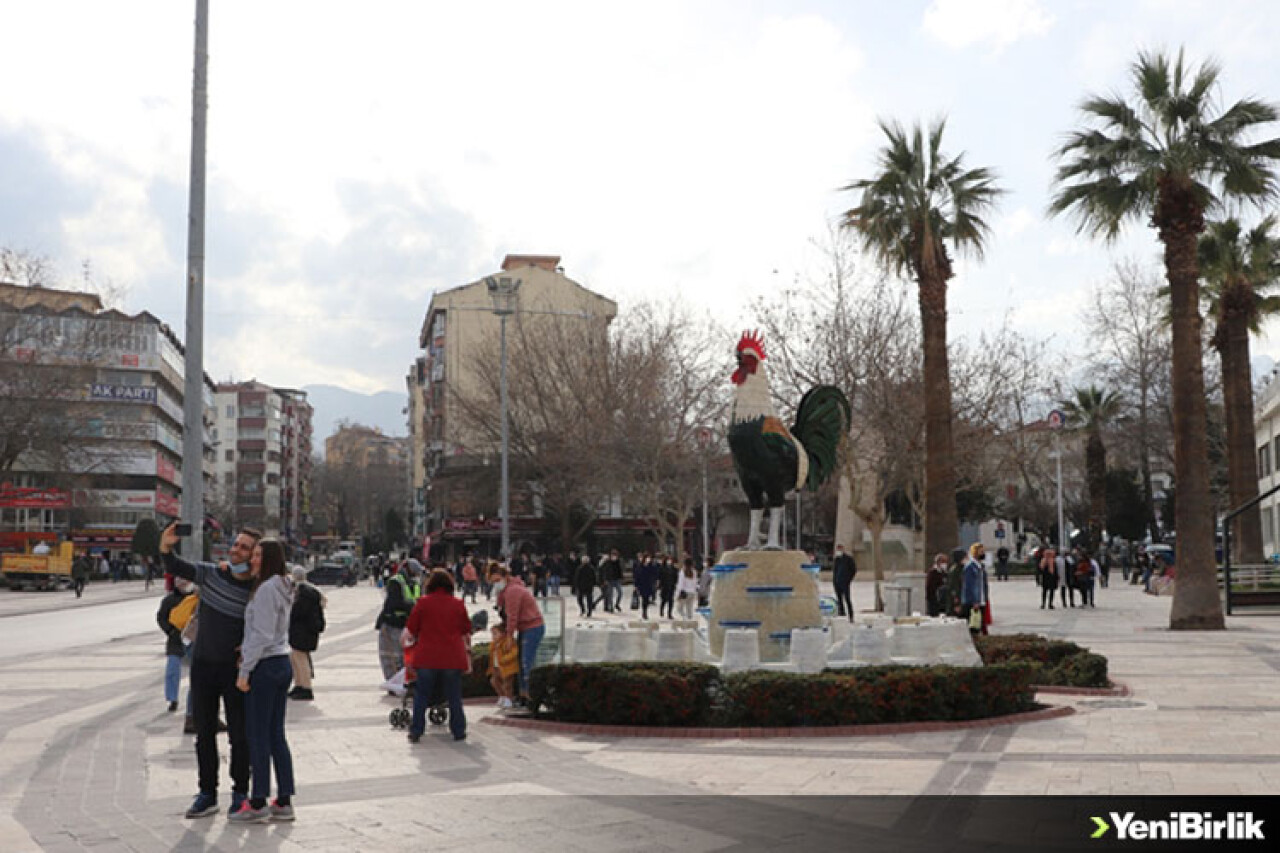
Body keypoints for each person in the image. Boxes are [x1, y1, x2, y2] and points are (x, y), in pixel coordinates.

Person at [159, 521, 261, 820]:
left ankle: (240, 791)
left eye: (244, 547)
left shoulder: (256, 591)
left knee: (239, 736)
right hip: (203, 666)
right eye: (235, 544)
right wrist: (166, 544)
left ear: (254, 556)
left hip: (235, 672)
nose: (236, 550)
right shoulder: (212, 574)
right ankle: (207, 793)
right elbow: (175, 565)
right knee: (204, 734)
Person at [230, 538, 296, 823]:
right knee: (275, 734)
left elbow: (262, 633)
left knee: (257, 735)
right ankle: (283, 799)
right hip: (281, 661)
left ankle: (257, 802)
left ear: (268, 559)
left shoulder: (268, 589)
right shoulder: (284, 585)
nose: (253, 559)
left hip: (266, 665)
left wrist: (245, 670)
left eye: (258, 555)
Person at [403, 569, 472, 743]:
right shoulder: (458, 604)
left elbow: (411, 629)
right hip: (452, 658)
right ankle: (458, 731)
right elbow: (465, 629)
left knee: (422, 695)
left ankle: (417, 730)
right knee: (454, 696)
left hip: (427, 657)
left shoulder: (423, 603)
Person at [493, 564, 544, 706]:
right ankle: (523, 694)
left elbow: (512, 616)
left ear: (504, 576)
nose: (495, 584)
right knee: (521, 663)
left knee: (526, 662)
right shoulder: (505, 591)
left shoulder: (513, 591)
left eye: (497, 580)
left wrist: (509, 636)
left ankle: (530, 695)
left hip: (532, 627)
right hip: (524, 628)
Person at [157, 577, 196, 713]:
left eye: (185, 580)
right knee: (172, 670)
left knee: (196, 673)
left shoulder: (197, 598)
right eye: (180, 581)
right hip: (176, 639)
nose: (183, 583)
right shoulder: (169, 600)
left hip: (193, 639)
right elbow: (161, 617)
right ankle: (172, 699)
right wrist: (170, 630)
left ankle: (194, 702)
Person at [376, 561, 420, 683]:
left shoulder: (412, 583)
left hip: (401, 624)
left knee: (397, 656)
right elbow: (393, 602)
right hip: (394, 623)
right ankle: (395, 682)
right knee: (393, 656)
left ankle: (398, 682)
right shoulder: (397, 581)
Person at [288, 566, 326, 701]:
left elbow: (298, 611)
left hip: (302, 632)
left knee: (300, 659)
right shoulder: (311, 590)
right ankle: (299, 684)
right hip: (305, 631)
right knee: (296, 659)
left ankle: (306, 687)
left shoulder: (304, 592)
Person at [487, 622, 520, 711]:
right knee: (494, 681)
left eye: (495, 634)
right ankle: (502, 696)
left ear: (503, 633)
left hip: (508, 667)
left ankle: (509, 699)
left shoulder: (508, 642)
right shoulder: (494, 644)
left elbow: (514, 652)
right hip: (497, 667)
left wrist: (505, 659)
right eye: (492, 634)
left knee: (507, 684)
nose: (493, 636)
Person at [960, 543, 987, 635]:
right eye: (981, 551)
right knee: (973, 626)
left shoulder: (981, 567)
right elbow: (969, 586)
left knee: (980, 625)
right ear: (975, 553)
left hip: (981, 600)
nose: (983, 553)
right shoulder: (970, 567)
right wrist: (975, 601)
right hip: (973, 602)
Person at [832, 544, 857, 621]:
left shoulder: (848, 559)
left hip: (845, 583)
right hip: (837, 583)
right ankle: (842, 615)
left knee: (847, 599)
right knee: (839, 600)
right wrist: (834, 581)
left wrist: (848, 579)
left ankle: (851, 616)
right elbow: (835, 571)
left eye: (840, 549)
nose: (839, 551)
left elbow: (854, 570)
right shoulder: (837, 559)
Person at [634, 553, 657, 620]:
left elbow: (655, 574)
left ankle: (645, 610)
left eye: (649, 558)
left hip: (649, 584)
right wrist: (636, 585)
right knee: (644, 598)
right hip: (642, 585)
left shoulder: (651, 566)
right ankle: (644, 612)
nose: (648, 559)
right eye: (647, 558)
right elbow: (637, 576)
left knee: (647, 599)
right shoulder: (639, 566)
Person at [926, 553, 948, 617]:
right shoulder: (932, 572)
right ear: (938, 562)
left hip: (942, 602)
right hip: (934, 601)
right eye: (943, 562)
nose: (945, 564)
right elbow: (929, 587)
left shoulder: (944, 573)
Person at [657, 555, 678, 619]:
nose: (669, 561)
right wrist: (659, 585)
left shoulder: (674, 568)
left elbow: (676, 577)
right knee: (664, 600)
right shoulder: (662, 568)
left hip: (671, 586)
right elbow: (660, 577)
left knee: (671, 600)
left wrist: (675, 584)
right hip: (664, 586)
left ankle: (669, 613)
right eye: (668, 560)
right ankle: (661, 610)